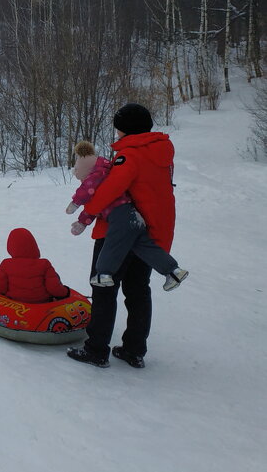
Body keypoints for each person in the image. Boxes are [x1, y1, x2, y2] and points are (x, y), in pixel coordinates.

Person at [68, 104, 187, 369]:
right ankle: (134, 350)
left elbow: (111, 189)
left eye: (118, 126)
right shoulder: (162, 153)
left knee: (103, 287)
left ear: (125, 128)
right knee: (137, 291)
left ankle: (96, 349)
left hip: (117, 233)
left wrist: (86, 214)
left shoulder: (129, 155)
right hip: (151, 234)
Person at [67, 139, 186, 288]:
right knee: (144, 247)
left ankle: (103, 274)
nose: (75, 173)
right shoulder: (107, 174)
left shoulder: (94, 180)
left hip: (120, 217)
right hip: (134, 216)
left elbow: (87, 195)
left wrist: (75, 204)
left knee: (112, 244)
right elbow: (94, 206)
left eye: (77, 170)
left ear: (87, 170)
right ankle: (173, 271)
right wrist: (82, 222)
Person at [0, 227, 71, 303]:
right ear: (34, 245)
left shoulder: (6, 264)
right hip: (41, 304)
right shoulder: (44, 264)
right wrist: (66, 292)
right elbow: (54, 288)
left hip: (15, 305)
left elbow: (0, 289)